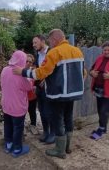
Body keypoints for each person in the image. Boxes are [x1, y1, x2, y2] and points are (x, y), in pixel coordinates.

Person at [13, 29, 85, 159]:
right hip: (73, 94)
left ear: (54, 39)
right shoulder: (77, 51)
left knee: (57, 121)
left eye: (50, 41)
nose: (50, 43)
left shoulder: (54, 52)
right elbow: (83, 73)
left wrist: (23, 72)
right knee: (68, 118)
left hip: (58, 94)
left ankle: (59, 150)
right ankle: (67, 147)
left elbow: (41, 73)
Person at [1, 50, 33, 157]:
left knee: (8, 125)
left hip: (6, 105)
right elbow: (29, 87)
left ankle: (8, 145)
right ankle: (17, 149)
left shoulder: (5, 70)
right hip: (17, 107)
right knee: (18, 128)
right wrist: (29, 77)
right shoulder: (20, 73)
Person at [32, 35, 55, 144]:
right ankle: (46, 132)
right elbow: (39, 70)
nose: (34, 45)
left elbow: (55, 70)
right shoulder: (37, 54)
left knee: (50, 111)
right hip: (39, 88)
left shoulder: (52, 52)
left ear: (42, 41)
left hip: (49, 88)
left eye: (35, 42)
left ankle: (53, 133)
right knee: (41, 111)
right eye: (33, 43)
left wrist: (46, 80)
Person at [25, 54, 39, 135]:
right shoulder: (20, 71)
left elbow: (37, 81)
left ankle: (33, 125)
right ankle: (22, 127)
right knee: (22, 113)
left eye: (30, 62)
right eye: (26, 61)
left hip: (32, 96)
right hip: (23, 97)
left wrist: (35, 86)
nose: (28, 63)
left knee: (32, 111)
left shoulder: (33, 71)